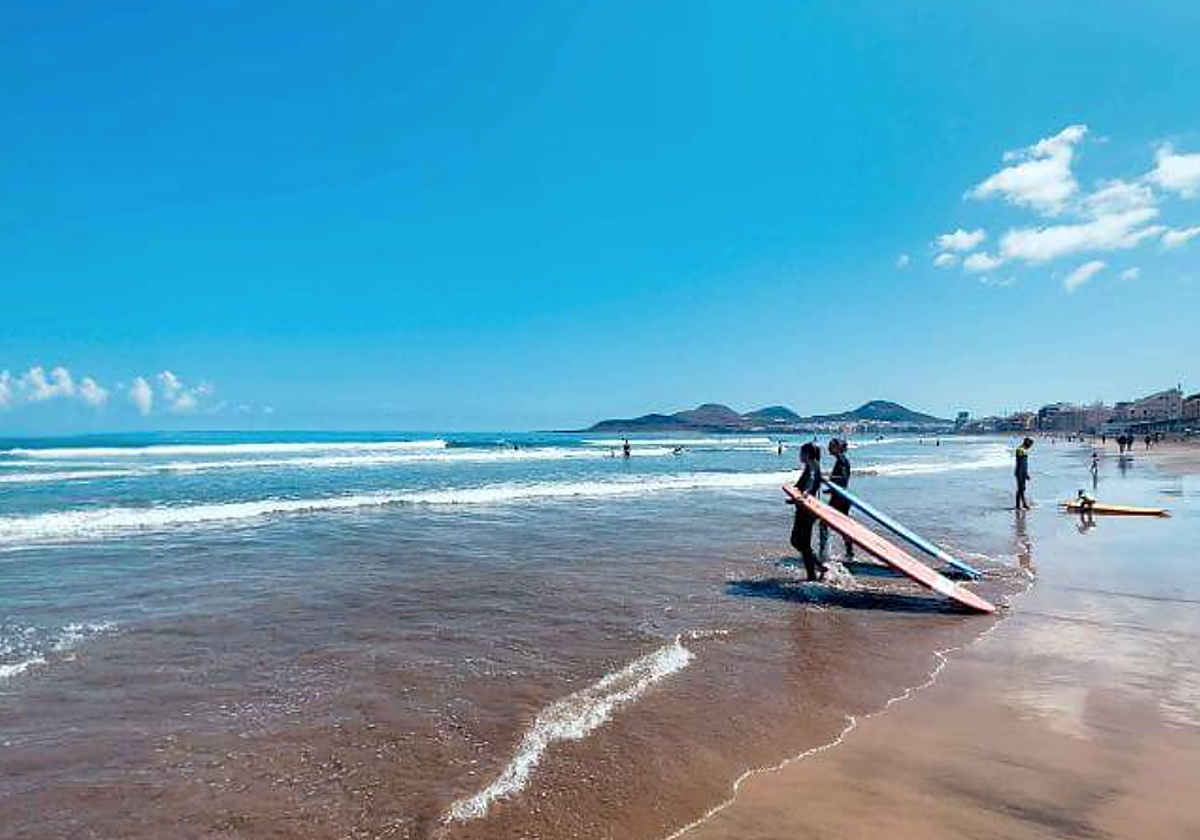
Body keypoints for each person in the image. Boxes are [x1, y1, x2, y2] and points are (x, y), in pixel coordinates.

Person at [786, 442, 827, 581]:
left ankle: (813, 575)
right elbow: (800, 486)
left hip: (807, 511)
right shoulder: (809, 466)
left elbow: (811, 484)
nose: (799, 456)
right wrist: (794, 497)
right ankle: (818, 567)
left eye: (801, 453)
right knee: (796, 541)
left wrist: (804, 495)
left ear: (807, 454)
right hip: (803, 509)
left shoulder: (813, 466)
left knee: (802, 543)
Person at [822, 438, 855, 560]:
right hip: (839, 497)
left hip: (840, 499)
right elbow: (842, 481)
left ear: (838, 447)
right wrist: (830, 489)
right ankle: (848, 552)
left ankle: (825, 552)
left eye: (831, 446)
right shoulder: (840, 459)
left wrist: (827, 478)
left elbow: (843, 477)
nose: (828, 448)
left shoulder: (841, 460)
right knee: (841, 526)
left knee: (826, 523)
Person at [1014, 437, 1033, 510]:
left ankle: (1023, 504)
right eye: (1030, 445)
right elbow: (1020, 463)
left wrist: (1026, 473)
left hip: (1023, 471)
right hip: (1020, 471)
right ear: (1026, 443)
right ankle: (1019, 505)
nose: (1030, 447)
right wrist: (1023, 473)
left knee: (1023, 488)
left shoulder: (1024, 450)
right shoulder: (1020, 450)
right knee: (1020, 489)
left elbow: (1025, 464)